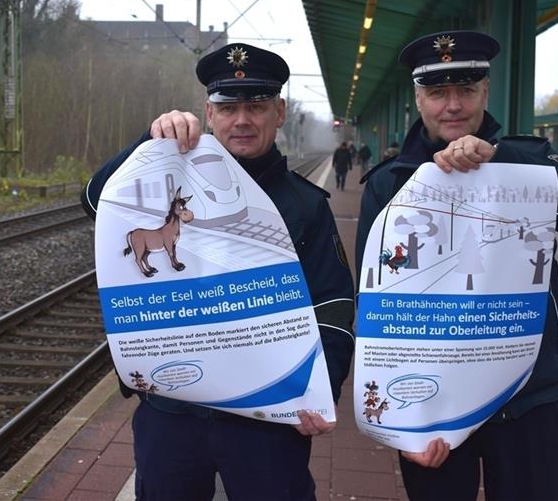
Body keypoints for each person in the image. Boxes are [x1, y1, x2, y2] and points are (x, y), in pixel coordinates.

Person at [82, 43, 355, 501]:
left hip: (269, 415)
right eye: (228, 107)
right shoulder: (168, 176)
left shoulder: (306, 204)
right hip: (173, 407)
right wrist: (149, 142)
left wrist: (319, 388)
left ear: (279, 112)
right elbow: (95, 200)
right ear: (209, 114)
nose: (242, 119)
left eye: (257, 106)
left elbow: (333, 303)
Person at [355, 31, 558, 500]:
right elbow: (378, 307)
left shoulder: (527, 159)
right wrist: (402, 422)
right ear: (418, 98)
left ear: (485, 92)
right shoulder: (389, 184)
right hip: (435, 402)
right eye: (437, 93)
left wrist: (506, 161)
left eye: (466, 90)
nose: (452, 105)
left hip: (529, 396)